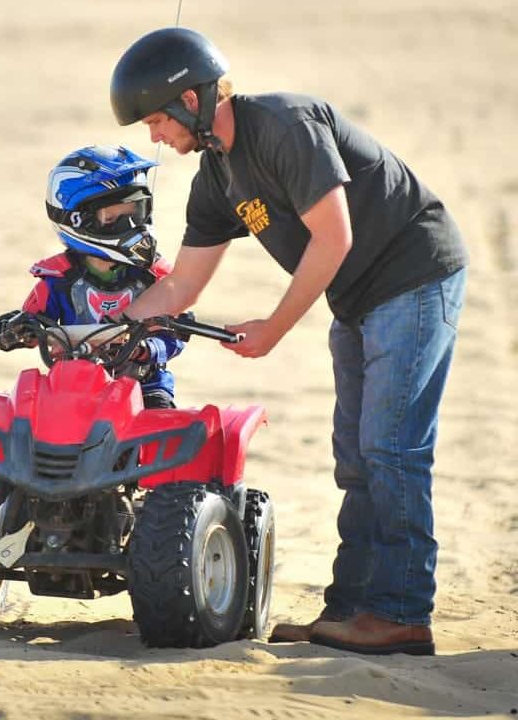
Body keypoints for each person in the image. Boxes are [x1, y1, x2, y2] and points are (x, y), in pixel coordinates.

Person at [109, 27, 468, 654]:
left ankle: (402, 612)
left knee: (392, 447)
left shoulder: (283, 125)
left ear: (191, 100)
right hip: (357, 298)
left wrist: (273, 329)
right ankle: (351, 610)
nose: (154, 137)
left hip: (415, 273)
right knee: (356, 459)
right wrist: (111, 327)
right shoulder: (216, 177)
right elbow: (182, 286)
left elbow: (335, 237)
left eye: (156, 121)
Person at [0, 144, 184, 410]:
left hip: (143, 387)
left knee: (162, 428)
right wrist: (14, 330)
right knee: (31, 417)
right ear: (78, 220)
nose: (133, 225)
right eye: (114, 217)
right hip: (72, 387)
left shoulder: (154, 277)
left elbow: (175, 338)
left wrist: (145, 349)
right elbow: (31, 324)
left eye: (136, 211)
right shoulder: (57, 279)